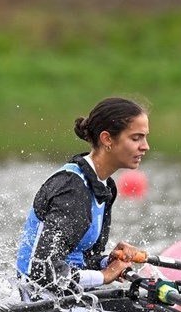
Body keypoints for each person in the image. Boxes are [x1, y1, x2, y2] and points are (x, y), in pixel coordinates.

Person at [16, 97, 149, 299]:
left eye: (145, 137)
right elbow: (43, 272)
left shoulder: (105, 187)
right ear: (107, 139)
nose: (145, 146)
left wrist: (108, 262)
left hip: (69, 296)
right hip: (37, 299)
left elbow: (84, 259)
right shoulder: (72, 189)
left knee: (158, 310)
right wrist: (104, 276)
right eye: (136, 138)